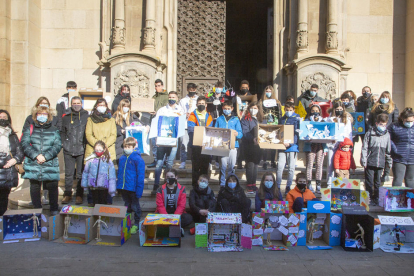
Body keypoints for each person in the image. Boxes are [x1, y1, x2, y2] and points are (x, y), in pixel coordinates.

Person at [21, 106, 62, 215]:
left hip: (50, 162)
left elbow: (57, 145)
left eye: (45, 114)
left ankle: (54, 209)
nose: (42, 116)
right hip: (33, 162)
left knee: (52, 187)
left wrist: (45, 156)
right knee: (34, 187)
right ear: (35, 115)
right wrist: (36, 155)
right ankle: (37, 211)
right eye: (39, 114)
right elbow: (24, 144)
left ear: (49, 116)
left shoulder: (54, 130)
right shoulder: (29, 128)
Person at [153, 92, 184, 192]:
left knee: (170, 163)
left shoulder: (180, 110)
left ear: (177, 98)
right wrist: (156, 138)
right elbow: (156, 124)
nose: (171, 98)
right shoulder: (162, 110)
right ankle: (156, 184)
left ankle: (167, 184)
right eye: (170, 97)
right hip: (162, 140)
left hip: (173, 140)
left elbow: (182, 125)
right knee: (159, 163)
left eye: (173, 97)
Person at [60, 96, 89, 205]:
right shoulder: (66, 117)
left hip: (81, 148)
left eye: (78, 103)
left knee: (80, 174)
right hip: (68, 148)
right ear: (71, 104)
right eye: (74, 103)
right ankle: (67, 194)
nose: (76, 105)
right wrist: (63, 142)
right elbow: (62, 131)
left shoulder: (86, 115)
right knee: (69, 173)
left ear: (81, 104)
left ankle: (79, 195)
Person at [361, 114, 392, 206]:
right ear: (376, 123)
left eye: (384, 125)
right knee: (369, 182)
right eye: (381, 124)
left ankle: (376, 197)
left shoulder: (387, 135)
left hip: (381, 162)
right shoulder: (370, 133)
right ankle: (369, 197)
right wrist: (364, 160)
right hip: (370, 161)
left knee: (377, 182)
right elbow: (365, 148)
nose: (382, 126)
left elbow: (388, 150)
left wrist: (389, 163)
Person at [116, 137, 145, 234]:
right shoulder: (122, 158)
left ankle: (136, 224)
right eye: (125, 146)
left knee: (135, 206)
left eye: (129, 146)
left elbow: (140, 176)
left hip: (133, 188)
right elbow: (120, 173)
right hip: (124, 187)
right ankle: (127, 223)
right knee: (127, 206)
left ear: (133, 147)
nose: (126, 148)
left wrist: (139, 190)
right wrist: (118, 186)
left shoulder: (138, 159)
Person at [155, 169, 193, 234]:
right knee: (154, 217)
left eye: (172, 176)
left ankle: (168, 227)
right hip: (165, 212)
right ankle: (175, 227)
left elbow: (182, 205)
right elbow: (160, 205)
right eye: (168, 177)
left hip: (177, 213)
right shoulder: (160, 189)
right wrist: (166, 217)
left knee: (188, 218)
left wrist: (175, 217)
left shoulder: (182, 189)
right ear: (165, 178)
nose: (170, 178)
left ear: (176, 177)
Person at [0, 110, 24, 216]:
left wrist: (14, 160)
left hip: (8, 173)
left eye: (5, 117)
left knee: (4, 199)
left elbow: (20, 151)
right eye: (0, 117)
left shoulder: (12, 135)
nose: (2, 119)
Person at [325, 101, 353, 186]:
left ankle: (340, 184)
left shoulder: (346, 119)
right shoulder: (329, 118)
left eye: (341, 109)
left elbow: (349, 133)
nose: (339, 111)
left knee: (340, 166)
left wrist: (349, 145)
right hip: (332, 144)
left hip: (343, 145)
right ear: (334, 109)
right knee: (330, 165)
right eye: (337, 109)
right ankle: (329, 184)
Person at [215, 100, 243, 186]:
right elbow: (215, 131)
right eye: (225, 108)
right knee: (223, 165)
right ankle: (222, 183)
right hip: (222, 146)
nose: (226, 110)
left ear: (232, 109)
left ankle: (231, 182)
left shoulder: (236, 119)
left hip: (233, 146)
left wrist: (237, 134)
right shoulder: (219, 119)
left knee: (231, 165)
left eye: (228, 108)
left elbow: (240, 133)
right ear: (222, 108)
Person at [188, 96, 214, 185]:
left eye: (203, 104)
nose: (201, 105)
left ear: (206, 105)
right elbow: (191, 130)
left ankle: (204, 185)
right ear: (196, 105)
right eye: (199, 104)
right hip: (196, 146)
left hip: (206, 146)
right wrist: (198, 142)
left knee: (205, 167)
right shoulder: (192, 115)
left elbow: (210, 130)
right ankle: (195, 186)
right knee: (196, 167)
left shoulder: (209, 116)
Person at [81, 141, 116, 206]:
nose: (98, 152)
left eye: (100, 150)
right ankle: (95, 216)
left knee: (103, 204)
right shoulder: (90, 160)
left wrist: (112, 190)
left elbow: (112, 175)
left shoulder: (107, 160)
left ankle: (102, 216)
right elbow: (85, 172)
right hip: (93, 186)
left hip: (104, 187)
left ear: (104, 149)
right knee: (95, 204)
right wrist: (85, 186)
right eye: (96, 150)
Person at [276, 102, 300, 195]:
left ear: (293, 110)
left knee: (291, 168)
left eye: (290, 110)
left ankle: (288, 186)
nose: (288, 112)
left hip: (292, 147)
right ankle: (278, 186)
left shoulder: (297, 118)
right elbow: (279, 130)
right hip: (282, 146)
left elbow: (297, 133)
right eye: (287, 110)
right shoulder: (282, 119)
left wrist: (290, 142)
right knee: (280, 167)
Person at [388, 108, 414, 188]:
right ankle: (395, 199)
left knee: (410, 180)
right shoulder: (394, 126)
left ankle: (411, 199)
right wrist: (394, 149)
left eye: (412, 121)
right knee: (398, 180)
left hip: (412, 158)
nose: (410, 123)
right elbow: (387, 138)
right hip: (399, 157)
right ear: (402, 119)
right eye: (408, 121)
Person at [304, 104, 327, 192]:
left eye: (317, 111)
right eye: (313, 111)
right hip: (310, 145)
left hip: (320, 145)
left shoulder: (323, 120)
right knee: (309, 164)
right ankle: (308, 183)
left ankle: (318, 184)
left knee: (319, 165)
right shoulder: (307, 120)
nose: (315, 113)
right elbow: (303, 132)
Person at [241, 101, 263, 194]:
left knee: (256, 165)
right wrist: (252, 139)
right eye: (252, 107)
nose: (253, 110)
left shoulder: (260, 119)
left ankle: (254, 184)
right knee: (250, 165)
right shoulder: (245, 119)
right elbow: (245, 132)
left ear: (258, 109)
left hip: (259, 147)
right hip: (249, 146)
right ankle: (249, 184)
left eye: (255, 108)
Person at [148, 79, 169, 168]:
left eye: (159, 85)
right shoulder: (154, 97)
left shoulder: (167, 96)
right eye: (156, 86)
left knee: (162, 142)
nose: (157, 87)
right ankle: (156, 159)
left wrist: (156, 112)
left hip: (163, 121)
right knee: (154, 142)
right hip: (153, 121)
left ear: (162, 86)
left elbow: (166, 108)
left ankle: (164, 161)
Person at [260, 85, 282, 169]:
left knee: (273, 143)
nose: (268, 93)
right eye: (267, 91)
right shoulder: (261, 101)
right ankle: (265, 161)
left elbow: (280, 113)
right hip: (264, 124)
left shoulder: (277, 102)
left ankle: (273, 161)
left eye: (270, 91)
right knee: (265, 143)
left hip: (274, 124)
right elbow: (259, 113)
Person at [178, 83, 199, 169]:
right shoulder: (182, 101)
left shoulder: (198, 100)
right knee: (184, 144)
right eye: (190, 90)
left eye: (193, 90)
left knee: (196, 145)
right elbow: (179, 112)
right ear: (187, 90)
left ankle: (196, 161)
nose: (192, 91)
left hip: (196, 126)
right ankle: (183, 161)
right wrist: (184, 114)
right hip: (185, 125)